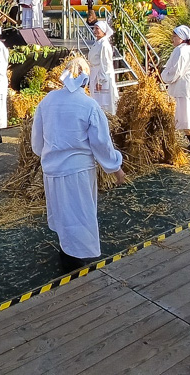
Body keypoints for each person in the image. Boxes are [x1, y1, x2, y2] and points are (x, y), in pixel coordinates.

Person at [31, 57, 125, 271]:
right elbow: (101, 142)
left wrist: (46, 155)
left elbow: (37, 138)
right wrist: (115, 167)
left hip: (53, 170)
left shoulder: (48, 100)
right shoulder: (88, 104)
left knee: (62, 211)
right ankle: (74, 258)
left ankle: (66, 250)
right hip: (78, 170)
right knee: (80, 213)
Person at [160, 25, 190, 153]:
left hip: (184, 86)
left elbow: (176, 70)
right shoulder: (189, 49)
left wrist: (164, 76)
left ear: (182, 38)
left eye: (175, 36)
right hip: (189, 86)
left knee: (183, 114)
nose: (172, 39)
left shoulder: (181, 50)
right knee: (186, 113)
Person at [89, 21, 118, 114]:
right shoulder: (98, 43)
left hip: (101, 76)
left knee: (103, 101)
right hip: (95, 73)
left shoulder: (104, 45)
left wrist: (101, 81)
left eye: (97, 29)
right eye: (94, 28)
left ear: (103, 31)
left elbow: (105, 64)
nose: (95, 31)